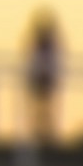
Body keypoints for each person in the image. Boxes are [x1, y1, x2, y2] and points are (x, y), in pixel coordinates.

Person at [22, 9, 64, 141]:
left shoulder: (47, 44)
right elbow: (33, 62)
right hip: (40, 80)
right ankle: (41, 133)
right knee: (40, 109)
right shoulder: (40, 44)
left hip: (45, 80)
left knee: (45, 108)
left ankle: (45, 133)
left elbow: (51, 62)